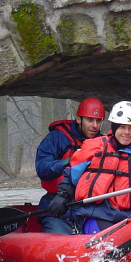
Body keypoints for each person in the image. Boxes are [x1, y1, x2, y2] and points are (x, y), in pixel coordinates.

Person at [49, 101, 131, 234]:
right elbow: (72, 177)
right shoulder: (94, 146)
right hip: (95, 214)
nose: (127, 132)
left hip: (130, 218)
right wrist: (62, 196)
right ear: (114, 127)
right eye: (122, 127)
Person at [35, 97, 106, 234]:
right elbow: (43, 168)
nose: (94, 126)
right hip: (58, 205)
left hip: (89, 209)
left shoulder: (103, 143)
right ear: (79, 119)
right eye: (90, 120)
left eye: (98, 121)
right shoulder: (57, 137)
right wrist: (72, 160)